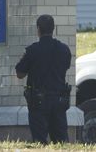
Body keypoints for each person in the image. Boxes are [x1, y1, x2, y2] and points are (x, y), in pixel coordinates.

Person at [15, 14, 72, 144]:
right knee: (61, 141)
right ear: (53, 29)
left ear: (38, 29)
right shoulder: (64, 49)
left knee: (39, 141)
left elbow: (20, 73)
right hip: (59, 99)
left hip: (39, 102)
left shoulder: (32, 50)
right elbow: (66, 67)